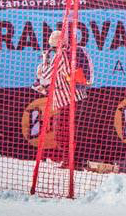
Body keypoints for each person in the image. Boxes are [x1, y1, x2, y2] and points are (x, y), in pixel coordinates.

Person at [33, 30, 91, 168]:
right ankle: (71, 161)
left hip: (69, 100)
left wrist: (43, 63)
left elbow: (46, 76)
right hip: (70, 99)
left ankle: (71, 162)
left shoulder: (61, 55)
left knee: (63, 132)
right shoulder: (66, 53)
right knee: (67, 132)